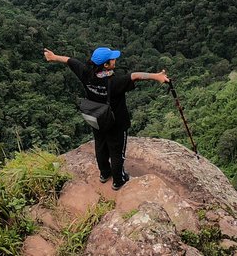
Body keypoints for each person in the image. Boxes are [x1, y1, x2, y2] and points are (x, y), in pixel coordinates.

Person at [44, 46, 169, 190]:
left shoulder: (86, 73)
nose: (115, 60)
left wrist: (53, 57)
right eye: (113, 59)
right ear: (106, 65)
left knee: (100, 146)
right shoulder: (114, 82)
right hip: (115, 123)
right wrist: (157, 76)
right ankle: (118, 181)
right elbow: (134, 76)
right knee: (116, 152)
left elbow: (70, 61)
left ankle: (104, 174)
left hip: (97, 118)